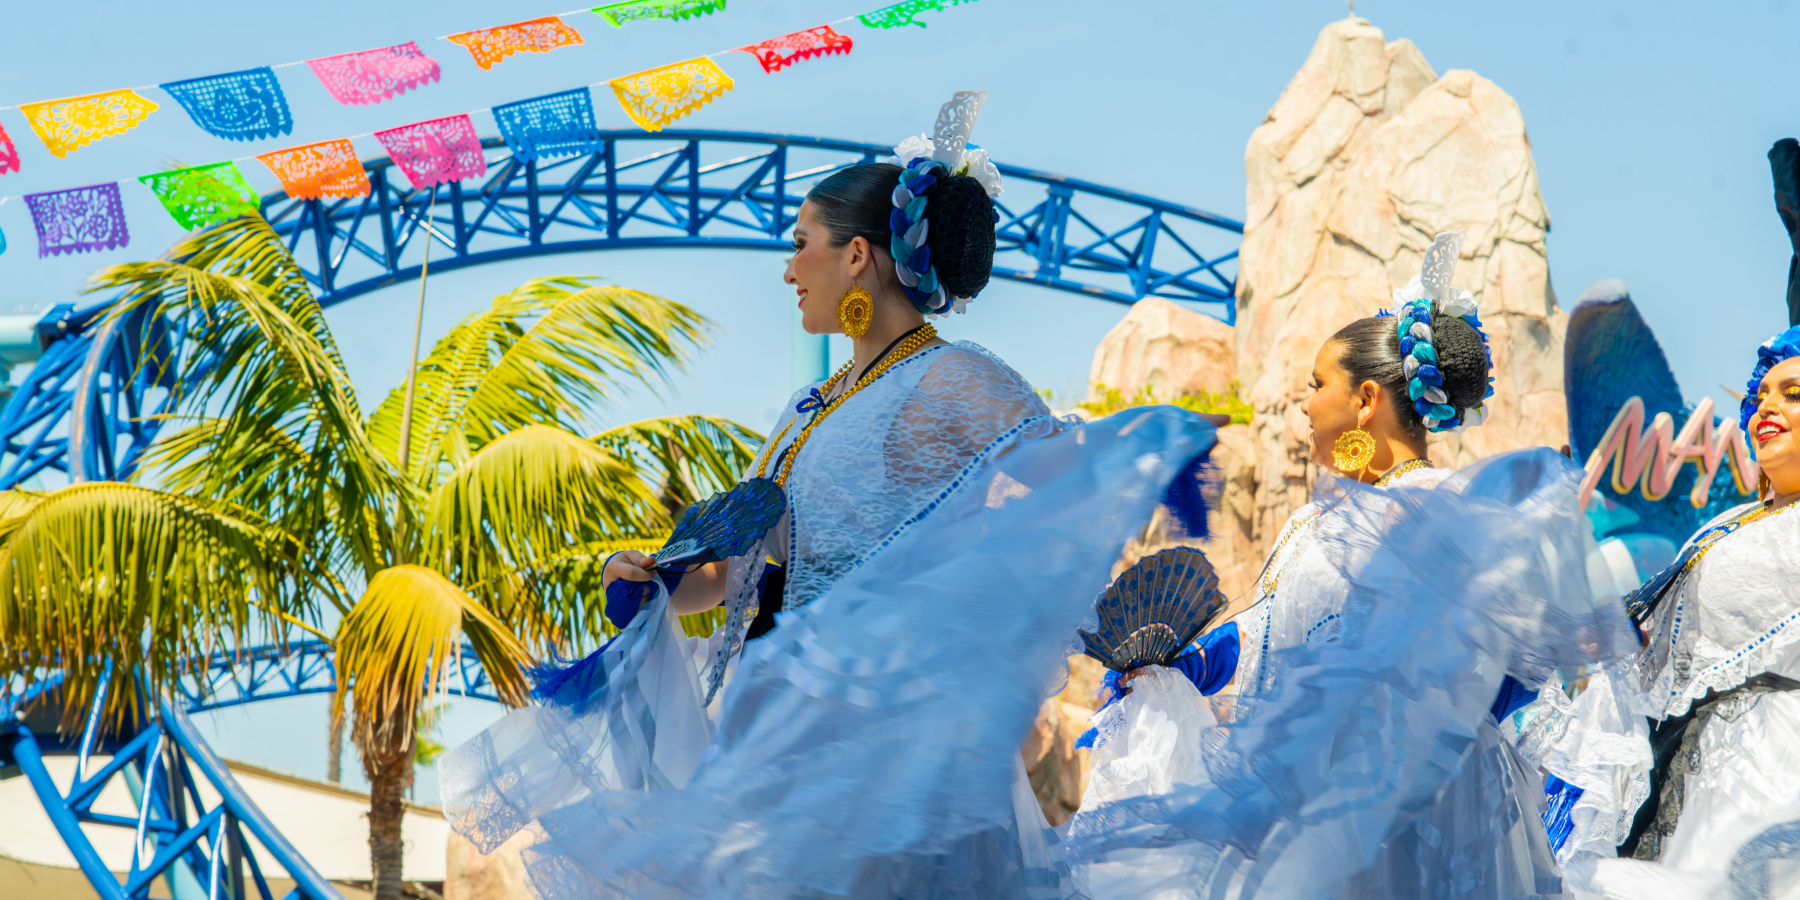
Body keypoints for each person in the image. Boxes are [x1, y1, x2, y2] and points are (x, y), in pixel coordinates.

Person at [439, 92, 1220, 900]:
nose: (786, 268)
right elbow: (743, 567)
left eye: (801, 243)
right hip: (777, 739)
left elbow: (1063, 467)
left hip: (884, 744)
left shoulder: (948, 376)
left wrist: (1165, 444)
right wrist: (659, 582)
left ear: (856, 257)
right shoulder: (809, 407)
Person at [1066, 232, 1632, 899]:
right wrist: (1181, 666)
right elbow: (1265, 631)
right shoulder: (1314, 523)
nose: (1302, 404)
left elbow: (1524, 668)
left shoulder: (1449, 506)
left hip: (1418, 809)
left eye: (1316, 384)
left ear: (1365, 400)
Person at [1558, 325, 1800, 899]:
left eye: (1793, 393)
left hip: (1777, 772)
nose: (1768, 406)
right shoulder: (1724, 524)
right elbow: (1653, 639)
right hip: (1692, 768)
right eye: (1761, 395)